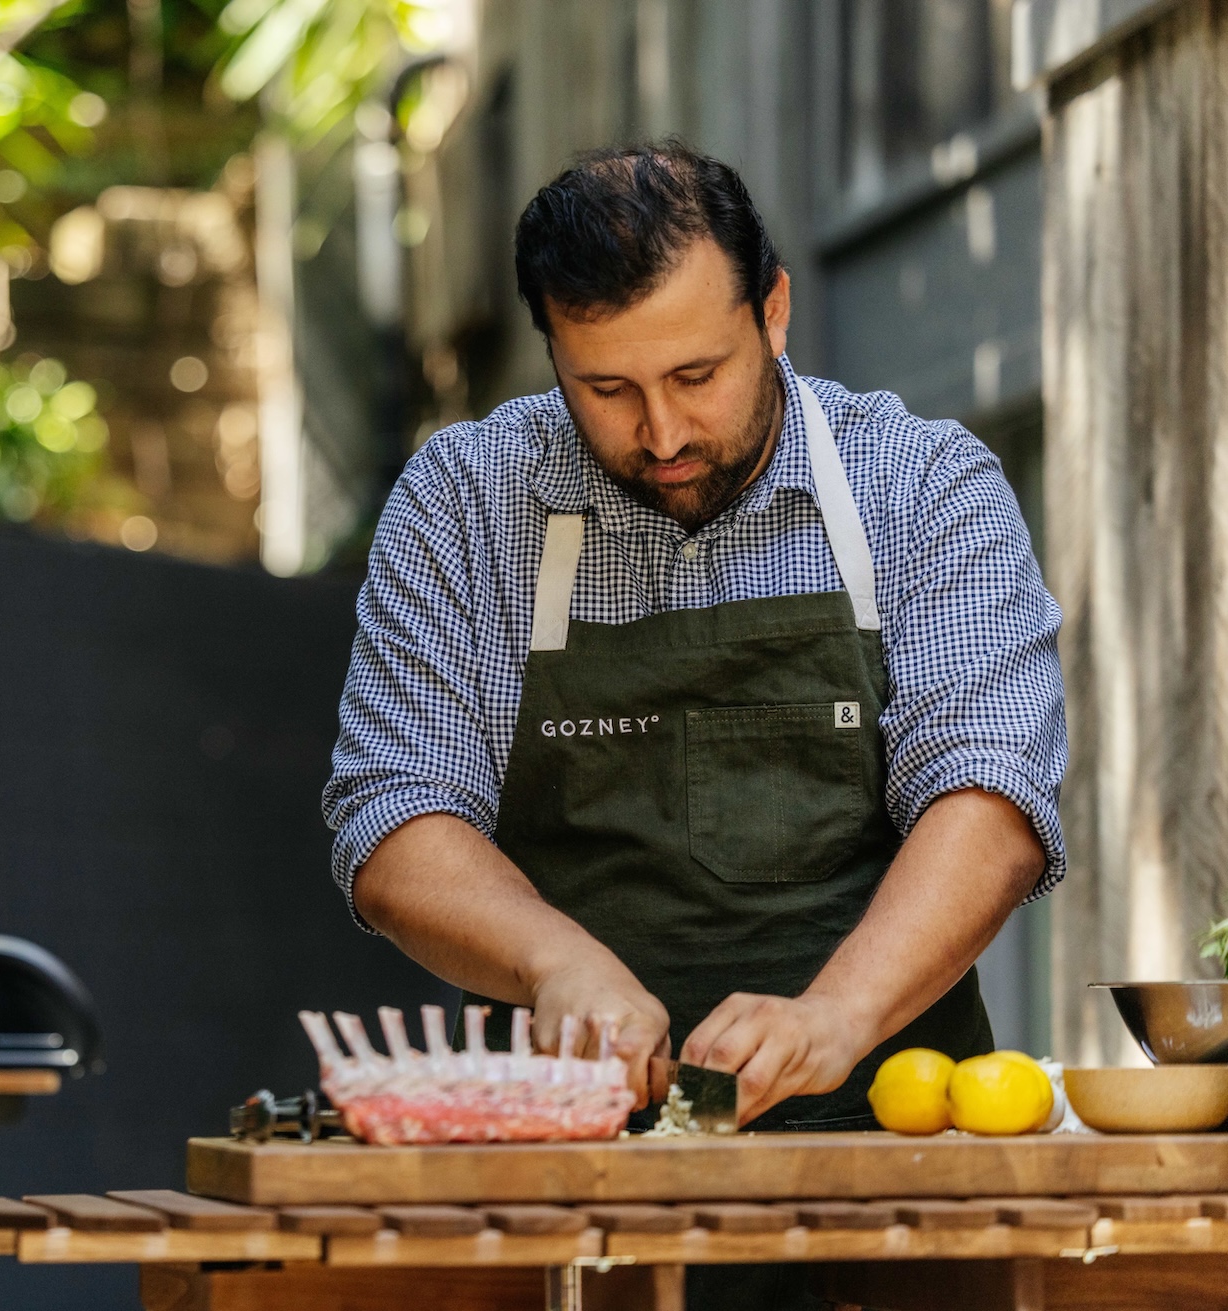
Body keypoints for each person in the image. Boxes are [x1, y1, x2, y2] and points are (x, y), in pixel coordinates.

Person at [322, 141, 1065, 1307]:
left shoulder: (922, 487)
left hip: (887, 1173)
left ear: (772, 310)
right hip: (560, 1187)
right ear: (552, 350)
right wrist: (556, 962)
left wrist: (836, 1015)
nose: (661, 432)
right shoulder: (461, 504)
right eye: (605, 390)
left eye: (696, 374)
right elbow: (394, 816)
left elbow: (992, 798)